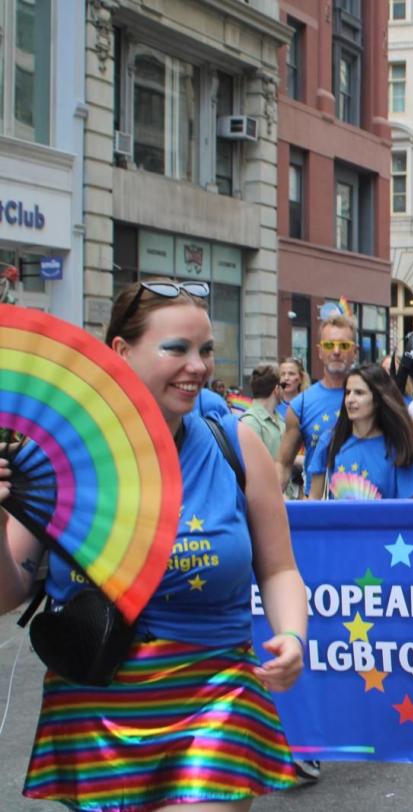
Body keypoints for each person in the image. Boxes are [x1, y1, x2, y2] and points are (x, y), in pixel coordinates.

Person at [0, 279, 307, 809]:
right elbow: (8, 593)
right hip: (94, 709)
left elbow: (279, 569)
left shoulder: (234, 443)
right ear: (121, 351)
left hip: (215, 696)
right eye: (177, 349)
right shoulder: (58, 457)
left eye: (206, 350)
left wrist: (293, 636)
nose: (198, 366)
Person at [309, 364, 413, 500]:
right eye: (347, 393)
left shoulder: (398, 447)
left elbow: (412, 505)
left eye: (359, 393)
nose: (350, 400)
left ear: (378, 399)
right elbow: (313, 499)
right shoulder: (329, 441)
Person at [277, 316, 358, 496]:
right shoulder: (301, 404)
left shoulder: (373, 398)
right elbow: (283, 464)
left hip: (365, 503)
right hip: (318, 504)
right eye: (329, 345)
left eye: (344, 345)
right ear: (320, 352)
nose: (336, 351)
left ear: (355, 351)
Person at [240, 363, 286, 461]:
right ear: (277, 389)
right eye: (283, 385)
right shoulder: (250, 422)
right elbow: (253, 463)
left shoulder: (279, 418)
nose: (285, 389)